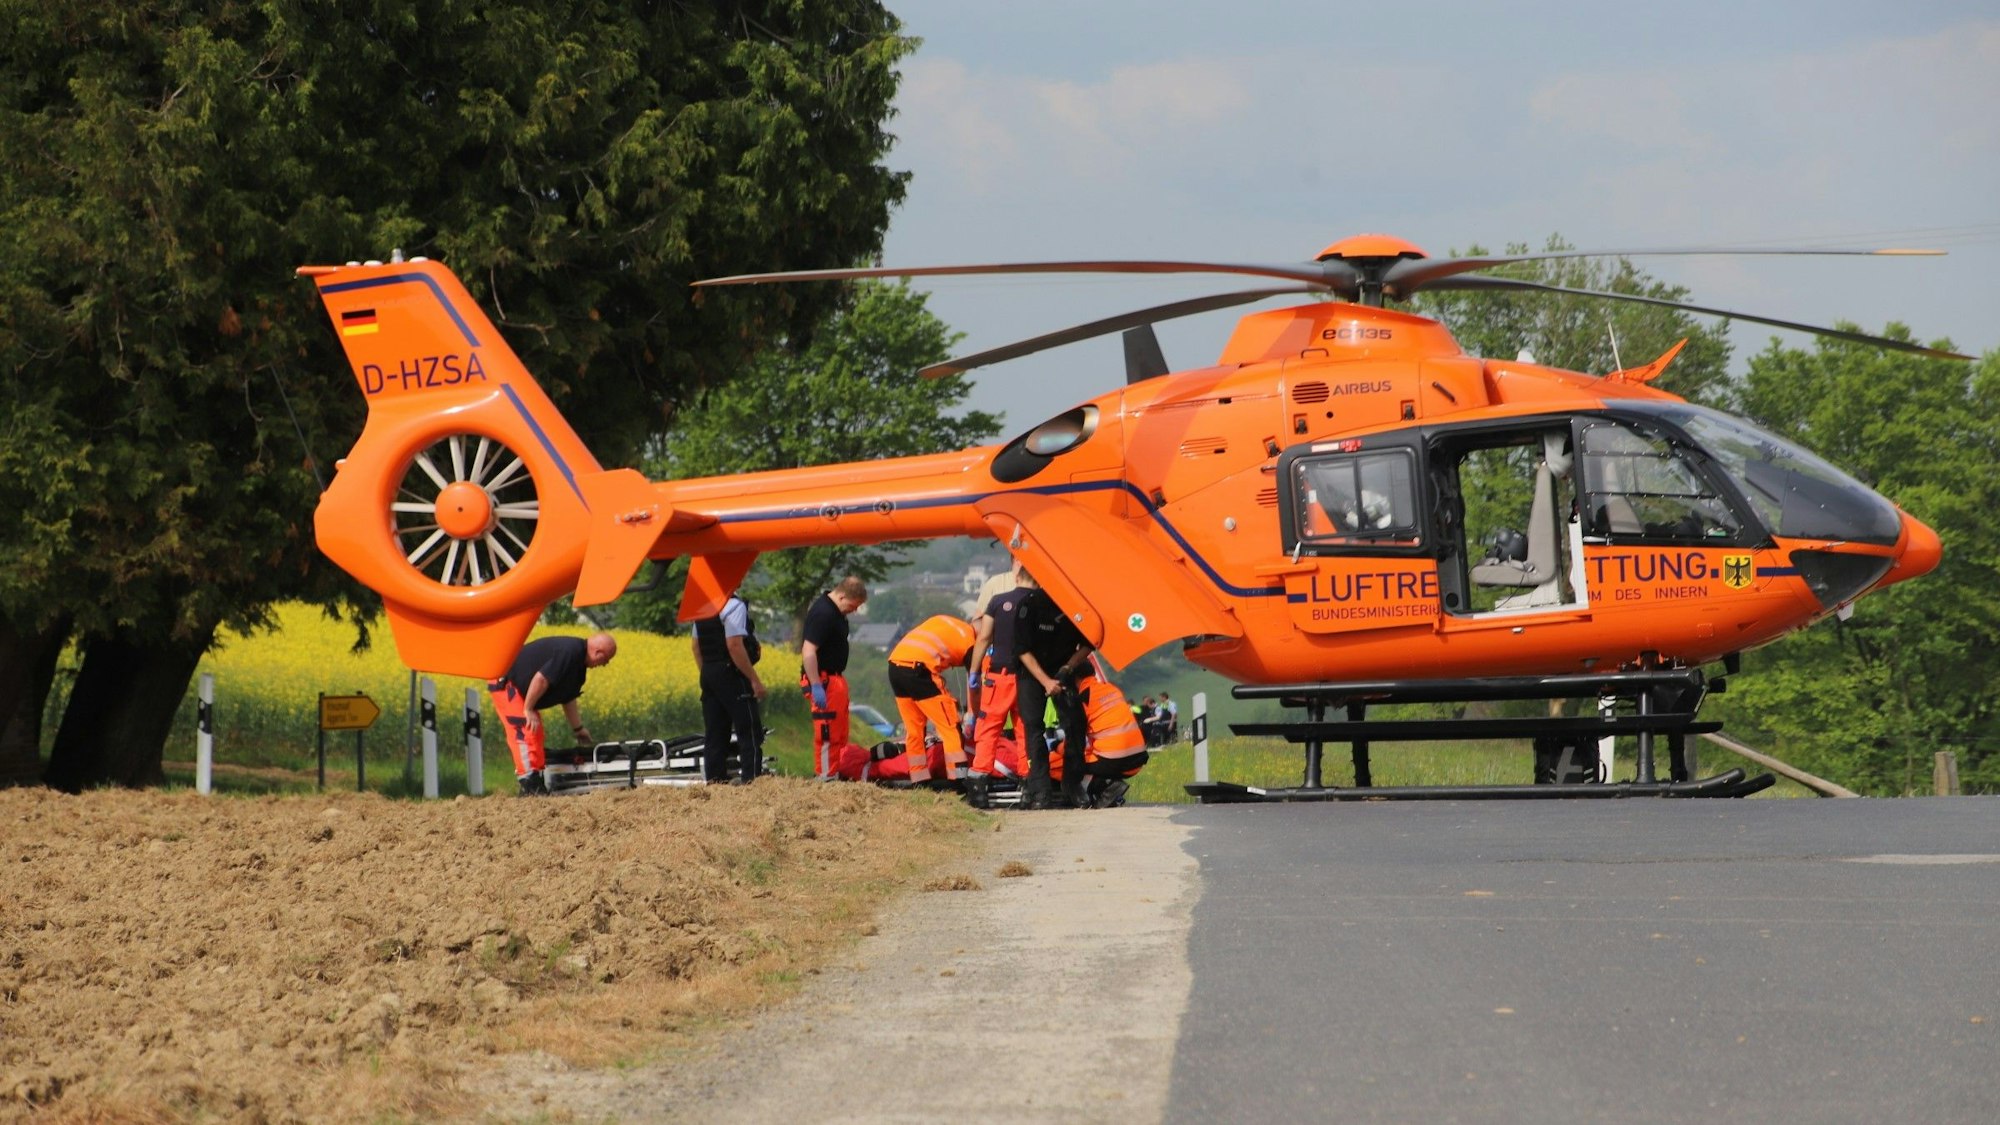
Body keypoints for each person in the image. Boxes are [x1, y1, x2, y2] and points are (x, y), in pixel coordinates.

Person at [487, 632, 618, 795]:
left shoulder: (578, 666)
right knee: (524, 730)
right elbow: (541, 679)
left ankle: (535, 781)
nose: (604, 665)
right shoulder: (569, 652)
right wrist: (528, 709)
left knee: (536, 732)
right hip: (507, 682)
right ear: (598, 652)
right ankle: (529, 784)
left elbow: (568, 698)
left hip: (521, 691)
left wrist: (578, 728)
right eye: (606, 660)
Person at [1013, 575, 1092, 809]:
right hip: (1031, 671)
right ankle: (1040, 789)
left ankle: (1072, 784)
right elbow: (1022, 650)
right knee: (1033, 726)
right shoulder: (1028, 605)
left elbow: (1089, 643)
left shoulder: (1075, 607)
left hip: (1062, 668)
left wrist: (1068, 668)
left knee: (1076, 723)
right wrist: (1046, 681)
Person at [964, 564, 1031, 809]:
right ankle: (1028, 788)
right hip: (1028, 678)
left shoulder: (998, 601)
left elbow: (983, 637)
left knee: (989, 729)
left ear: (1017, 576)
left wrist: (974, 670)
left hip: (999, 676)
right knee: (1025, 731)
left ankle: (979, 789)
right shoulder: (1043, 602)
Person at [886, 614, 977, 784]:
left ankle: (919, 780)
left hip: (895, 667)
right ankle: (959, 780)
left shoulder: (946, 622)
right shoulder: (972, 643)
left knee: (914, 730)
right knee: (950, 726)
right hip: (919, 671)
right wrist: (972, 714)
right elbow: (975, 682)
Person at [691, 588, 765, 785]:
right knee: (749, 731)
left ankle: (716, 784)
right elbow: (734, 645)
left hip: (709, 672)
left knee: (715, 733)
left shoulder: (703, 606)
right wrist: (754, 680)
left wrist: (708, 673)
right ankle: (752, 782)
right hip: (731, 672)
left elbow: (696, 647)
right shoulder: (734, 605)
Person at [800, 576, 867, 778]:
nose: (854, 611)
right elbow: (808, 650)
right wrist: (815, 684)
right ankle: (825, 777)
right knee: (827, 732)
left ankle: (836, 771)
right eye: (853, 606)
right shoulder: (824, 613)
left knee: (839, 732)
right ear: (842, 596)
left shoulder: (836, 612)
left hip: (834, 679)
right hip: (823, 680)